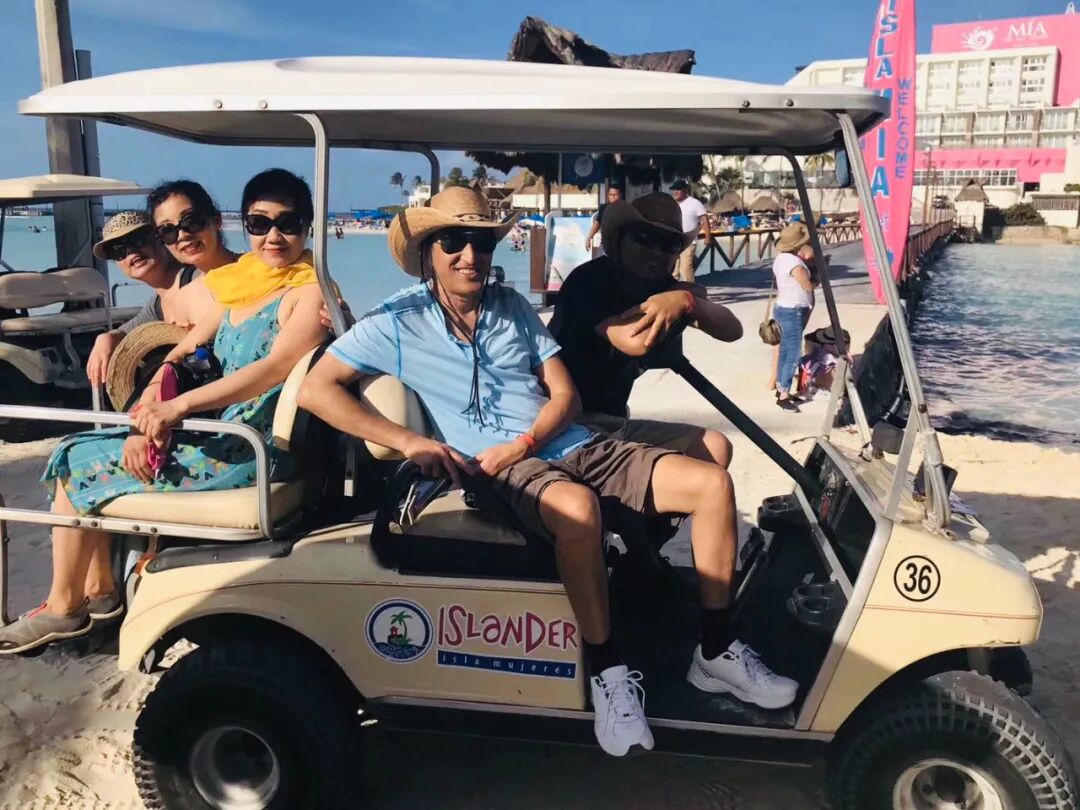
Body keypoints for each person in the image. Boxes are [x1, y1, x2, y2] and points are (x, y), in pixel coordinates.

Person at [298, 187, 797, 759]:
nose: (470, 255)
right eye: (453, 241)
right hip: (493, 469)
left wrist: (528, 440)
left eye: (481, 241)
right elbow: (318, 389)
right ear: (428, 251)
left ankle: (714, 649)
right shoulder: (398, 320)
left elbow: (565, 395)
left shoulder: (510, 306)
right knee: (578, 509)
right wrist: (411, 441)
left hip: (566, 440)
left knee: (712, 483)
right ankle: (609, 673)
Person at [0, 169, 328, 655]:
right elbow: (182, 352)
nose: (274, 236)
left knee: (75, 461)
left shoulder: (311, 291)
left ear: (309, 226)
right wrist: (152, 401)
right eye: (260, 224)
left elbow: (273, 369)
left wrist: (178, 407)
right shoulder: (242, 285)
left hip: (246, 450)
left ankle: (66, 606)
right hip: (216, 431)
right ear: (245, 226)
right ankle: (96, 595)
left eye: (289, 223)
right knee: (75, 448)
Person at [550, 192, 741, 470]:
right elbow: (635, 341)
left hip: (614, 421)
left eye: (668, 244)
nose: (656, 251)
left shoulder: (664, 288)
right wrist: (678, 299)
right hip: (567, 425)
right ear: (620, 239)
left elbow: (732, 329)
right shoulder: (590, 280)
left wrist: (688, 301)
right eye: (644, 238)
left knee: (714, 447)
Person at [85, 212, 216, 388]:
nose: (130, 252)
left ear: (162, 238)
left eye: (138, 239)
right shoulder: (158, 304)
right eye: (117, 249)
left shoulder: (198, 278)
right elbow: (129, 330)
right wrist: (106, 337)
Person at [771, 222, 817, 411]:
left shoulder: (780, 259)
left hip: (783, 306)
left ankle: (781, 387)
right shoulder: (795, 263)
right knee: (793, 353)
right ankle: (783, 395)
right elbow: (807, 286)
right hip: (793, 310)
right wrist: (816, 279)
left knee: (784, 350)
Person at [148, 179, 240, 274]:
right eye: (167, 230)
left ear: (216, 220)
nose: (182, 235)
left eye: (190, 222)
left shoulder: (249, 269)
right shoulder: (187, 283)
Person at [670, 180, 711, 283]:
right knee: (673, 271)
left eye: (678, 189)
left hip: (688, 241)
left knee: (685, 269)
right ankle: (673, 289)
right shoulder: (670, 203)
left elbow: (704, 219)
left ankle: (690, 289)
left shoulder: (695, 203)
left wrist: (708, 237)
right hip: (673, 242)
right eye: (673, 189)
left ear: (685, 190)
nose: (675, 192)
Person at [585, 184, 624, 255]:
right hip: (606, 243)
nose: (613, 197)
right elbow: (597, 224)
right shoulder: (604, 209)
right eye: (611, 194)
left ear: (620, 195)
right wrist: (588, 238)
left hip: (621, 244)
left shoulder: (626, 209)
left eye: (615, 194)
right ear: (608, 196)